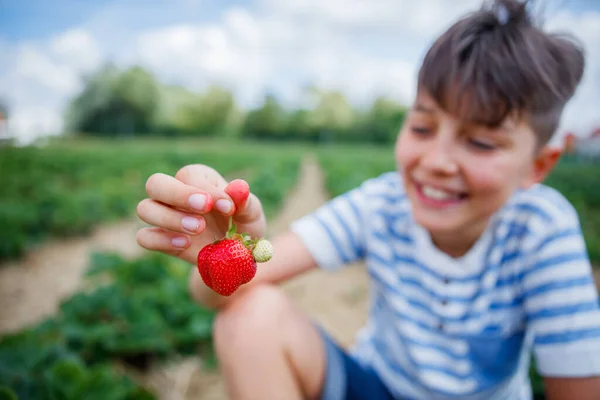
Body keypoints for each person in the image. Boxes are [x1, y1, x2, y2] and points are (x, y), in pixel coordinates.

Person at [135, 0, 600, 398]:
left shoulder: (542, 230)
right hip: (376, 387)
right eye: (422, 127)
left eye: (480, 142)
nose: (436, 160)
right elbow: (219, 299)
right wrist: (222, 253)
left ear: (538, 166)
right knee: (249, 316)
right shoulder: (381, 204)